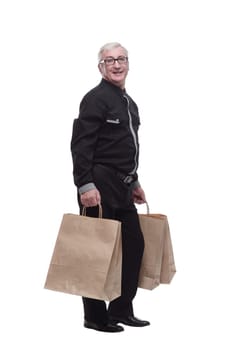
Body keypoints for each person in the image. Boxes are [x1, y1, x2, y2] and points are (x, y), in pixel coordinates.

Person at [71, 42, 150, 332]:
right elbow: (81, 145)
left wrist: (136, 182)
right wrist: (85, 185)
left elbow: (126, 147)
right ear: (101, 67)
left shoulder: (128, 102)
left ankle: (120, 309)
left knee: (133, 247)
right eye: (109, 60)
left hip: (124, 186)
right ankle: (94, 315)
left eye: (121, 59)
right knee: (96, 250)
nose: (116, 65)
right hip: (99, 185)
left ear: (128, 63)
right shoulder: (95, 99)